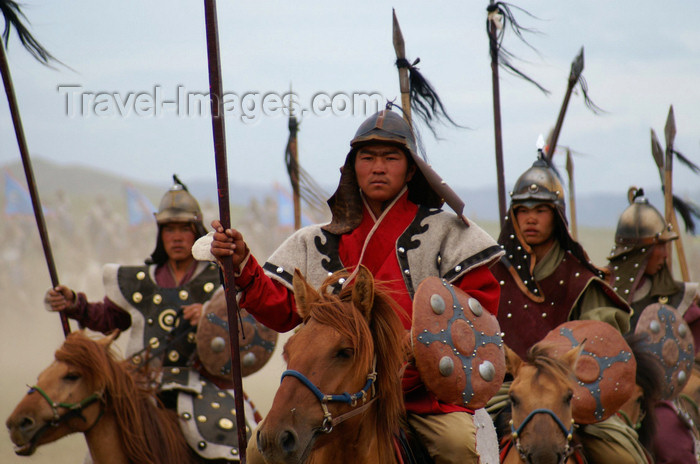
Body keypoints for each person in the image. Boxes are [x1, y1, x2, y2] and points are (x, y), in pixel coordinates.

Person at [202, 107, 504, 464]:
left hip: (419, 397)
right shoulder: (317, 241)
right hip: (335, 397)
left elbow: (476, 314)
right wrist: (242, 265)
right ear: (352, 167)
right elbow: (282, 309)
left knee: (458, 447)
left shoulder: (451, 234)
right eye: (368, 158)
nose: (378, 167)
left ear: (410, 169)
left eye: (391, 158)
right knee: (258, 450)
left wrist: (414, 349)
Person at [45, 176, 220, 368]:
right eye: (169, 229)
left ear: (196, 231)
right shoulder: (141, 281)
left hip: (205, 381)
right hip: (146, 382)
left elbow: (243, 323)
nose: (176, 237)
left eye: (184, 228)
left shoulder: (219, 277)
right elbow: (109, 319)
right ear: (161, 234)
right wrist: (75, 304)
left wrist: (209, 314)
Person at [490, 153, 631, 360]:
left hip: (560, 387)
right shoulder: (494, 272)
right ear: (513, 215)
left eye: (540, 210)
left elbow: (600, 347)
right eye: (522, 210)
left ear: (556, 216)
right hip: (500, 386)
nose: (530, 218)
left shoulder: (580, 281)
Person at [606, 187, 700, 463]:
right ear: (638, 251)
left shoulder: (682, 300)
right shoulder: (602, 293)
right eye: (658, 245)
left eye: (666, 245)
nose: (664, 253)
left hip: (667, 397)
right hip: (611, 395)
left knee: (668, 440)